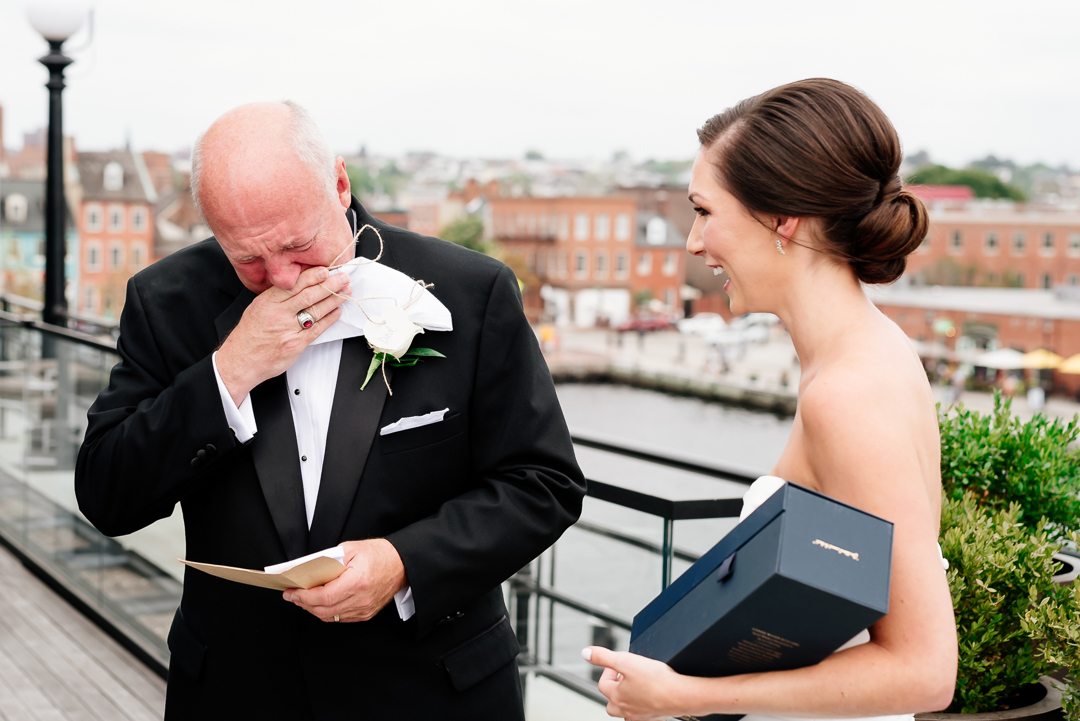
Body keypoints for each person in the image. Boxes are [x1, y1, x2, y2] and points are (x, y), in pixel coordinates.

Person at [74, 101, 586, 719]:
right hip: (238, 693)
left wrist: (403, 564)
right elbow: (107, 495)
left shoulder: (473, 292)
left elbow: (543, 484)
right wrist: (230, 371)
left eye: (299, 245)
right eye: (249, 260)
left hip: (430, 694)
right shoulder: (164, 302)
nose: (284, 279)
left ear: (339, 184)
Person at [583, 79, 957, 719]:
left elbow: (924, 671)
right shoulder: (874, 347)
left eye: (704, 212)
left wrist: (687, 696)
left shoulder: (847, 394)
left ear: (782, 220)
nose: (694, 244)